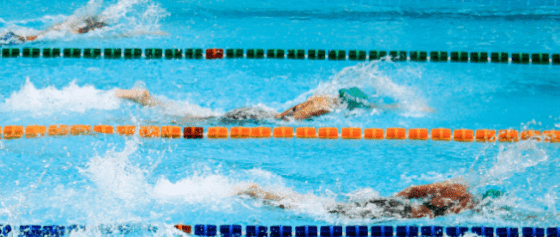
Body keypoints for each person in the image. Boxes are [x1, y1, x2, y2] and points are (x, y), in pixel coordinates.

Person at [237, 181, 499, 219]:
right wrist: (389, 203)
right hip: (392, 211)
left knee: (329, 208)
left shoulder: (456, 188)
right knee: (328, 210)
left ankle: (264, 193)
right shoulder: (460, 194)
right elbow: (413, 191)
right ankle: (259, 192)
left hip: (393, 208)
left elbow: (411, 190)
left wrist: (389, 200)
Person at [114, 86, 373, 122]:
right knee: (197, 121)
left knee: (203, 116)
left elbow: (292, 111)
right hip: (260, 118)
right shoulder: (325, 106)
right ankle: (147, 101)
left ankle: (149, 100)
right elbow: (292, 120)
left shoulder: (323, 97)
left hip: (259, 112)